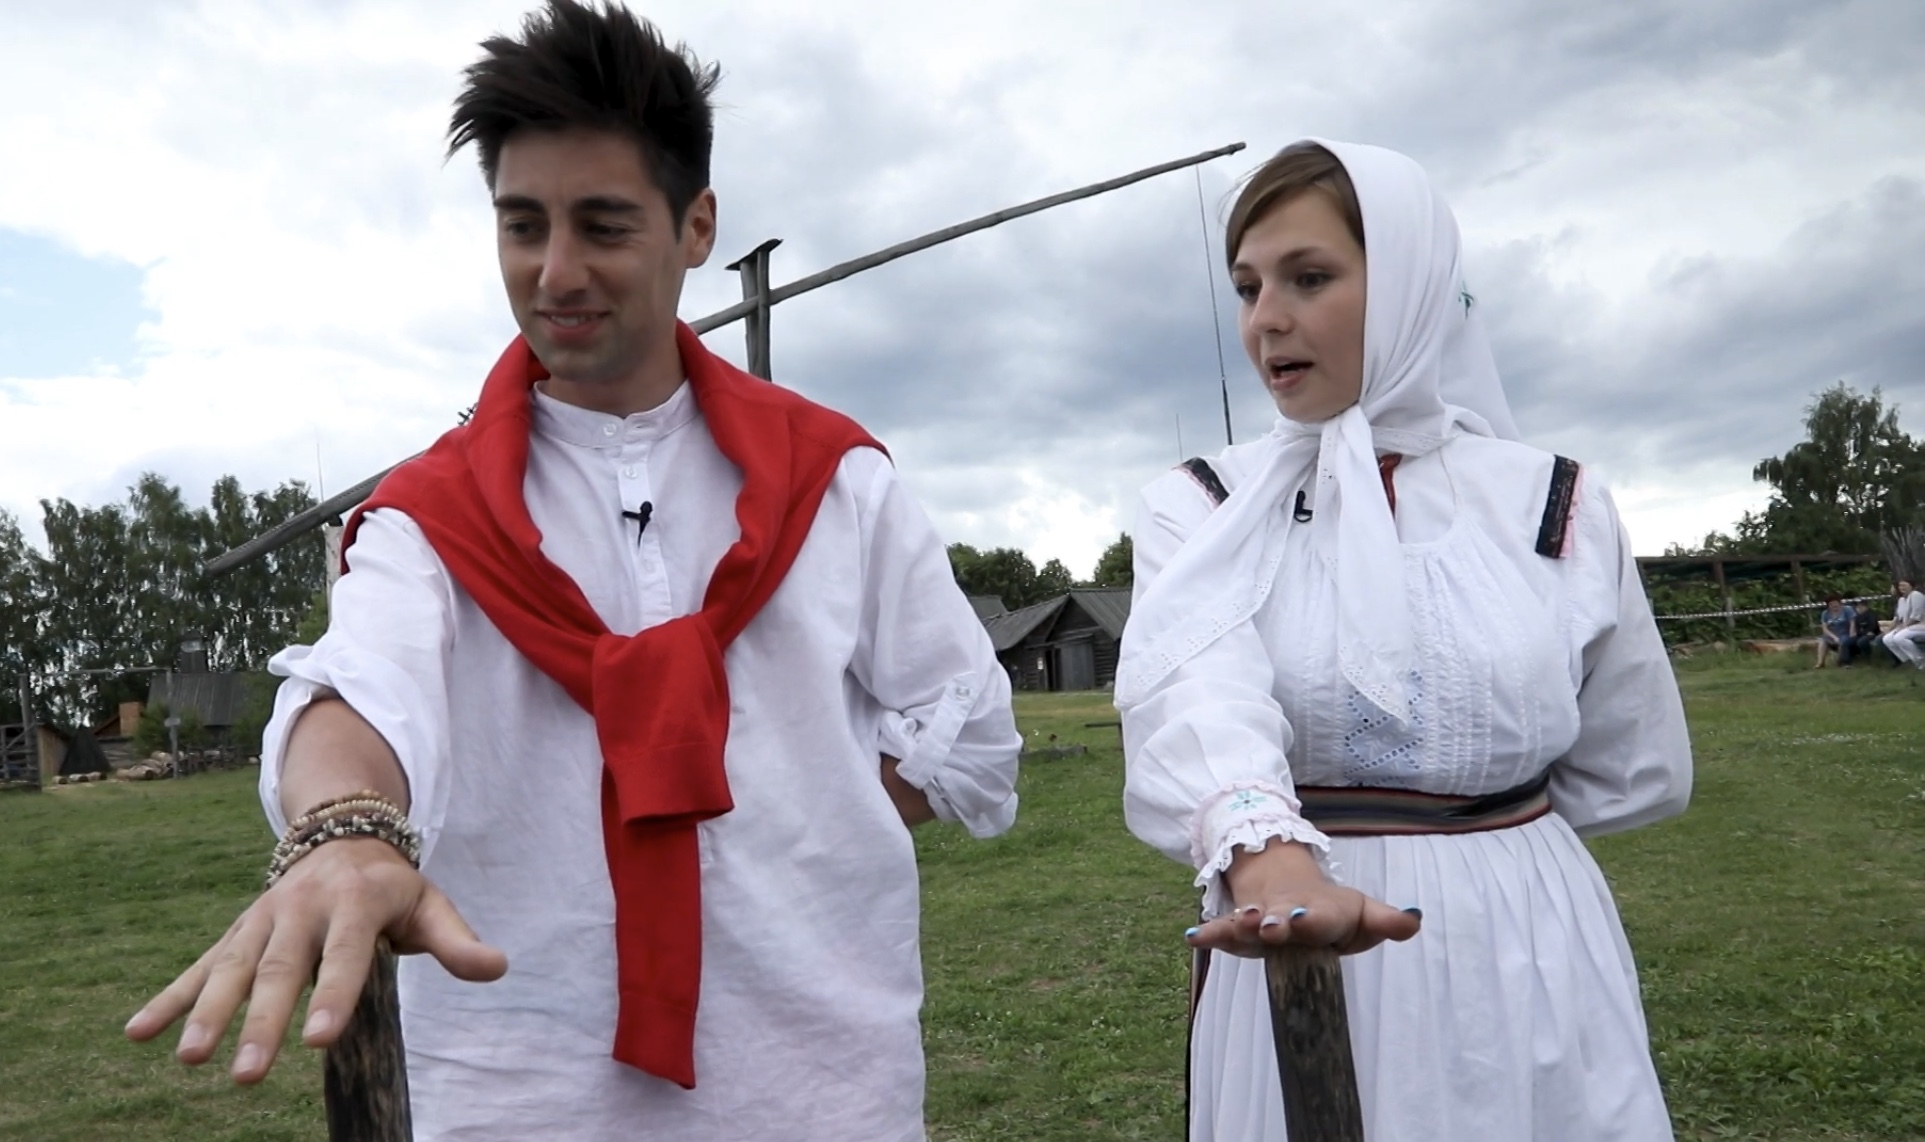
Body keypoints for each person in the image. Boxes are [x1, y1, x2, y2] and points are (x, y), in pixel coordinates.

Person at [124, 4, 1022, 1138]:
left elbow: (964, 723)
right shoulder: (431, 517)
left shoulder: (837, 484)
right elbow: (361, 687)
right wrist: (347, 827)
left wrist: (791, 831)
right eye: (522, 226)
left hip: (818, 1082)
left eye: (602, 225)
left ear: (695, 225)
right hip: (520, 1087)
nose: (555, 272)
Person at [1114, 140, 1692, 1141]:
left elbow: (1633, 764)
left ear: (1411, 287)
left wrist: (1478, 853)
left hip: (1523, 939)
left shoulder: (1551, 501)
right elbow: (1197, 690)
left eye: (1308, 277)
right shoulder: (1203, 505)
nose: (1265, 319)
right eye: (1247, 286)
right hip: (1291, 935)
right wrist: (1273, 862)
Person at [1882, 579, 1925, 667]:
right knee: (1887, 639)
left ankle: (1920, 659)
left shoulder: (1916, 595)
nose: (1901, 587)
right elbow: (1900, 618)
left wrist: (1903, 627)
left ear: (1911, 586)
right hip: (1909, 626)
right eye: (1900, 585)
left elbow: (1916, 617)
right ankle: (1908, 660)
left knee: (1899, 637)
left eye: (1904, 585)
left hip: (1920, 625)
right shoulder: (1902, 599)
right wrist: (1895, 628)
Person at [1816, 594, 1855, 667]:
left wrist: (1851, 635)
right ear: (1828, 605)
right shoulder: (1825, 613)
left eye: (1835, 603)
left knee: (1842, 642)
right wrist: (1834, 637)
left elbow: (1852, 623)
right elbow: (1825, 629)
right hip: (1832, 635)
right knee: (1822, 641)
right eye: (1831, 604)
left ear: (1839, 603)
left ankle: (1841, 660)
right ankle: (1820, 662)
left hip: (1845, 634)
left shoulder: (1847, 609)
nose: (1834, 606)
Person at [1849, 599, 1883, 663]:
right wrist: (1861, 632)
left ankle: (1867, 656)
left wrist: (1867, 632)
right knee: (1850, 640)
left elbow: (1873, 626)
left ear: (1865, 607)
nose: (1859, 609)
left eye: (1860, 607)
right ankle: (1852, 656)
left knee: (1861, 641)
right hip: (1862, 633)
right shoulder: (1857, 616)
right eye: (1858, 607)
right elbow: (1857, 628)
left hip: (1873, 633)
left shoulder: (1871, 614)